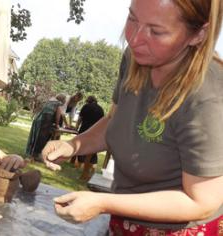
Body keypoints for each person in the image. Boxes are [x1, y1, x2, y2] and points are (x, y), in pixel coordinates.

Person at [42, 0, 223, 234]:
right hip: (126, 217)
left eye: (156, 31)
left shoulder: (209, 96)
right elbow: (117, 122)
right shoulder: (134, 58)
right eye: (132, 19)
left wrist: (104, 203)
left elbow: (201, 202)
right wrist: (73, 146)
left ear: (199, 34)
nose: (134, 39)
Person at [26, 94, 66, 162]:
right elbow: (57, 116)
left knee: (36, 137)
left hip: (38, 119)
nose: (65, 101)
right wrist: (57, 125)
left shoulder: (50, 101)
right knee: (41, 138)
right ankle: (36, 156)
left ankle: (31, 154)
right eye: (65, 99)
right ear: (62, 100)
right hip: (45, 120)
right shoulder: (58, 104)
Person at [74, 95, 104, 180]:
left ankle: (80, 166)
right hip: (95, 131)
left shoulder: (86, 106)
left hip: (85, 128)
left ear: (88, 101)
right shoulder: (100, 109)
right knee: (93, 150)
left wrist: (76, 128)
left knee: (81, 147)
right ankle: (92, 168)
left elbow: (80, 118)